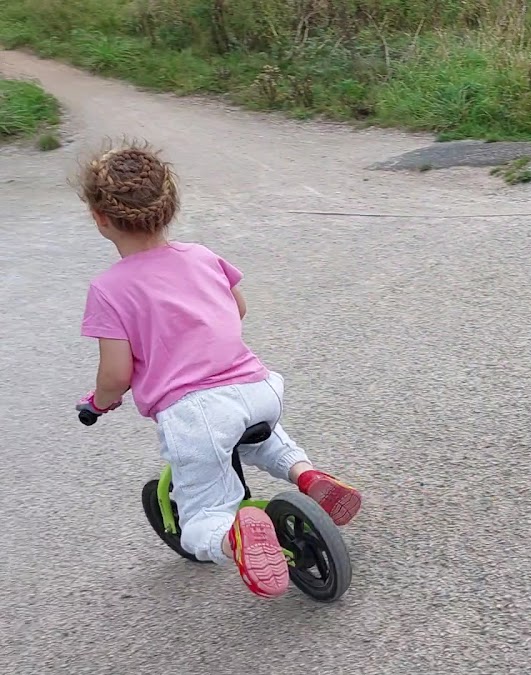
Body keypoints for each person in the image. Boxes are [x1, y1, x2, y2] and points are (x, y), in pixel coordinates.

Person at [74, 141, 361, 598]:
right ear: (169, 207)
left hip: (198, 415)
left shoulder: (109, 289)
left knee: (202, 518)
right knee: (264, 440)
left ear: (100, 218)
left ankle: (236, 535)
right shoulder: (202, 256)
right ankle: (307, 475)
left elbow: (116, 375)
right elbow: (237, 308)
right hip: (257, 388)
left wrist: (97, 404)